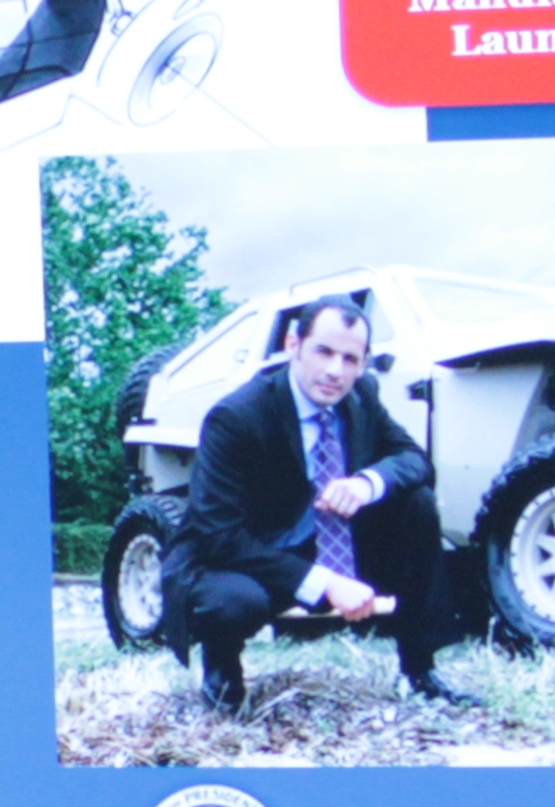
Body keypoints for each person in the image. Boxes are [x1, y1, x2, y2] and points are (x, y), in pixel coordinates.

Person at [168, 291, 452, 715]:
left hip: (327, 540)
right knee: (232, 602)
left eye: (351, 359)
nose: (335, 371)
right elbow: (219, 535)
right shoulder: (238, 416)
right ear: (293, 345)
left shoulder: (361, 397)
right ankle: (222, 674)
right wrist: (325, 583)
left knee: (417, 503)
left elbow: (415, 461)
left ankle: (419, 670)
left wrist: (367, 483)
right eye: (323, 351)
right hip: (243, 556)